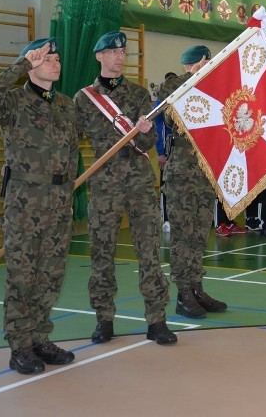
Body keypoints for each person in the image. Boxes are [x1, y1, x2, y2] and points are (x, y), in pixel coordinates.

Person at [0, 38, 79, 374]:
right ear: (32, 63)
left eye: (56, 57)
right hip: (25, 205)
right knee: (22, 277)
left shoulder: (66, 106)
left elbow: (72, 153)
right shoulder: (13, 103)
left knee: (50, 276)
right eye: (46, 57)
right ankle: (19, 345)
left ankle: (39, 338)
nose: (54, 62)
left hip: (58, 204)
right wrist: (24, 64)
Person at [75, 31, 176, 345]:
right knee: (101, 253)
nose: (120, 56)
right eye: (113, 51)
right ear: (99, 56)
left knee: (149, 252)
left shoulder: (137, 94)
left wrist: (144, 132)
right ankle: (104, 319)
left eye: (123, 51)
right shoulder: (84, 99)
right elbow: (72, 142)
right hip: (104, 186)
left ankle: (156, 320)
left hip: (139, 183)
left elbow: (148, 142)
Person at [157, 45, 229, 319]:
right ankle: (183, 293)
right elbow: (170, 101)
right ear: (198, 63)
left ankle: (197, 287)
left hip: (204, 173)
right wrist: (198, 73)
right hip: (182, 174)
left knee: (200, 234)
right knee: (182, 237)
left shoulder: (209, 88)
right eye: (206, 62)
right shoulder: (173, 85)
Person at [153, 72, 176, 233]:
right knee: (165, 185)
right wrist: (161, 152)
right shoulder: (160, 102)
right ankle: (166, 219)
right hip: (167, 149)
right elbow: (158, 126)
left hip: (181, 149)